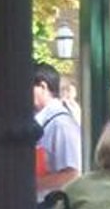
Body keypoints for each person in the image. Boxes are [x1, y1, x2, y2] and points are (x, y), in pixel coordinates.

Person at [33, 63, 82, 198]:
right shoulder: (42, 121)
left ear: (43, 86)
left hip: (49, 205)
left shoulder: (61, 124)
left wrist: (29, 184)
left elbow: (72, 174)